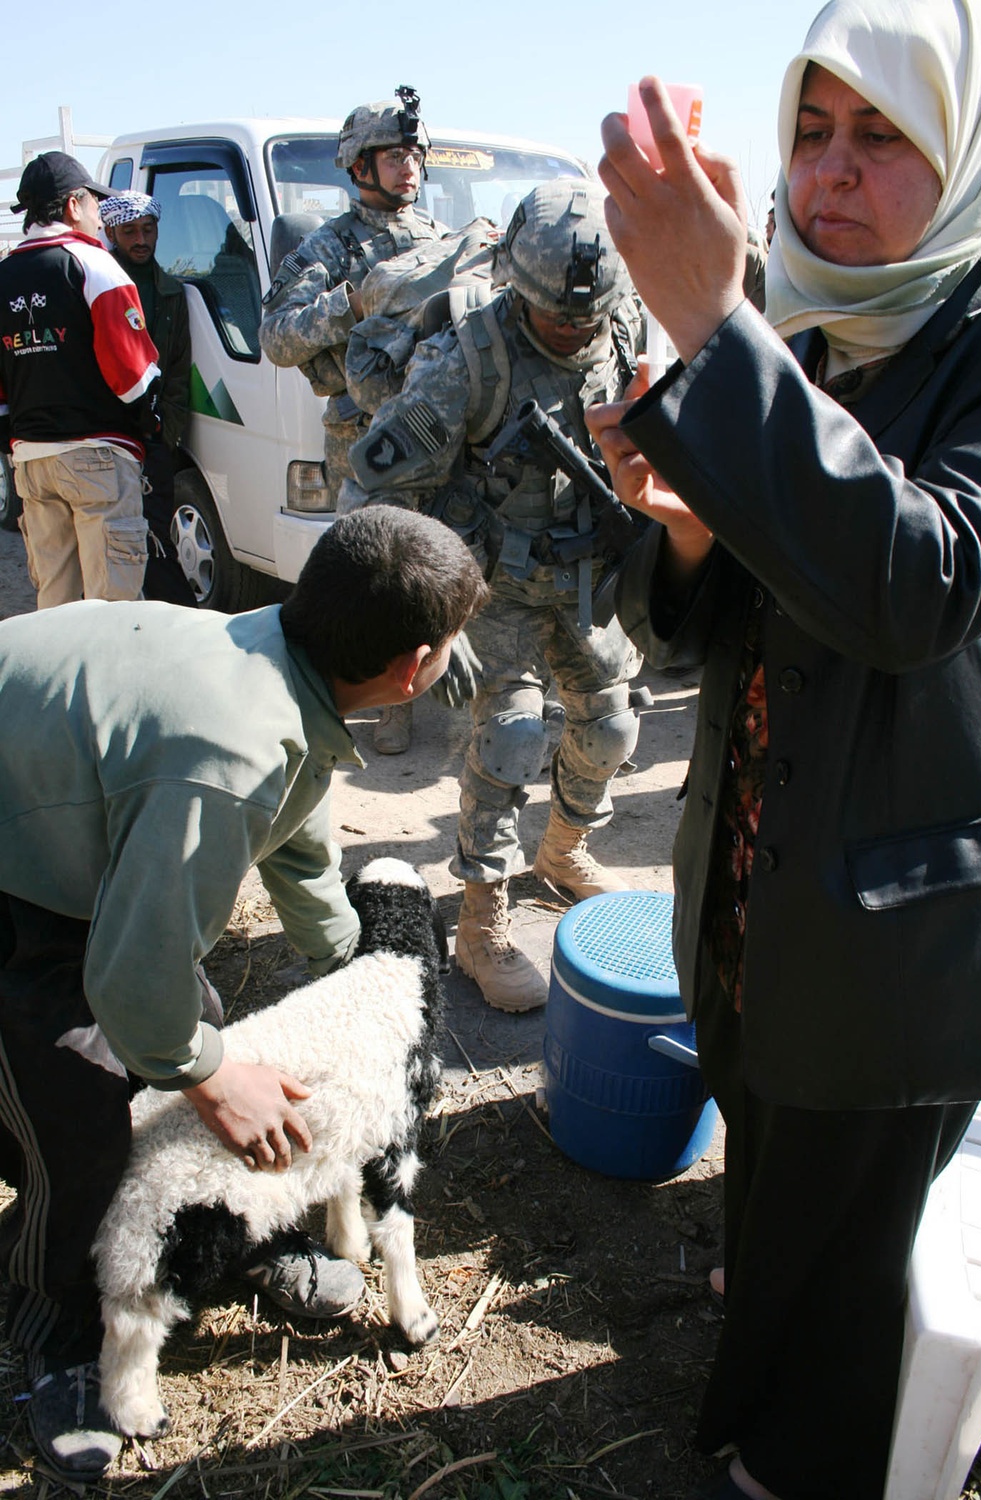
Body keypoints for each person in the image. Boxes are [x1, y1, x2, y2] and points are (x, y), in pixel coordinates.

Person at [587, 1, 981, 1495]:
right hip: (760, 880)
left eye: (883, 133)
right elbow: (703, 632)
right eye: (811, 132)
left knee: (854, 1234)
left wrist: (717, 326)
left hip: (893, 909)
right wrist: (693, 525)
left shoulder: (976, 340)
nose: (832, 172)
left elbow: (922, 584)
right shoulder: (816, 330)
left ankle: (808, 1458)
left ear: (966, 153)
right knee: (772, 1157)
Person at [0, 505, 488, 1484]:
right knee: (76, 1124)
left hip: (62, 816)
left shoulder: (283, 660)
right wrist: (214, 1079)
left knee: (200, 1036)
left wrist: (348, 966)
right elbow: (133, 984)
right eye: (454, 646)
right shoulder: (225, 759)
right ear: (414, 665)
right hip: (14, 872)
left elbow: (295, 833)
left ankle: (215, 1236)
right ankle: (55, 1337)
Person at [344, 178, 645, 1013]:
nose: (573, 330)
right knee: (512, 738)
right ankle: (482, 922)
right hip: (491, 586)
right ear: (517, 285)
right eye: (556, 316)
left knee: (614, 726)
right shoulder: (465, 360)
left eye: (585, 318)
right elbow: (371, 496)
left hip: (586, 572)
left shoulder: (618, 327)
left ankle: (564, 851)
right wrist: (437, 613)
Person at [260, 85, 443, 755]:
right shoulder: (328, 248)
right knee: (374, 576)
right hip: (363, 436)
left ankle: (446, 684)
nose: (409, 168)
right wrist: (350, 304)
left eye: (415, 156)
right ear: (359, 167)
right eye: (394, 156)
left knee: (448, 560)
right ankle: (381, 703)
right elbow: (277, 337)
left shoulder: (439, 241)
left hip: (442, 428)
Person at [0, 152, 159, 610]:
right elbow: (134, 378)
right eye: (93, 203)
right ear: (73, 205)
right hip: (98, 460)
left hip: (31, 462)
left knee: (56, 609)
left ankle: (60, 684)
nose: (97, 215)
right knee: (113, 610)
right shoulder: (93, 264)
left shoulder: (4, 274)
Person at [101, 191, 196, 606]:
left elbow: (177, 367)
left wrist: (166, 432)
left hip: (153, 437)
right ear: (111, 232)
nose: (140, 239)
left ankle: (171, 619)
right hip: (108, 435)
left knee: (156, 535)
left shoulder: (171, 291)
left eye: (148, 229)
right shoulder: (100, 284)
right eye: (130, 231)